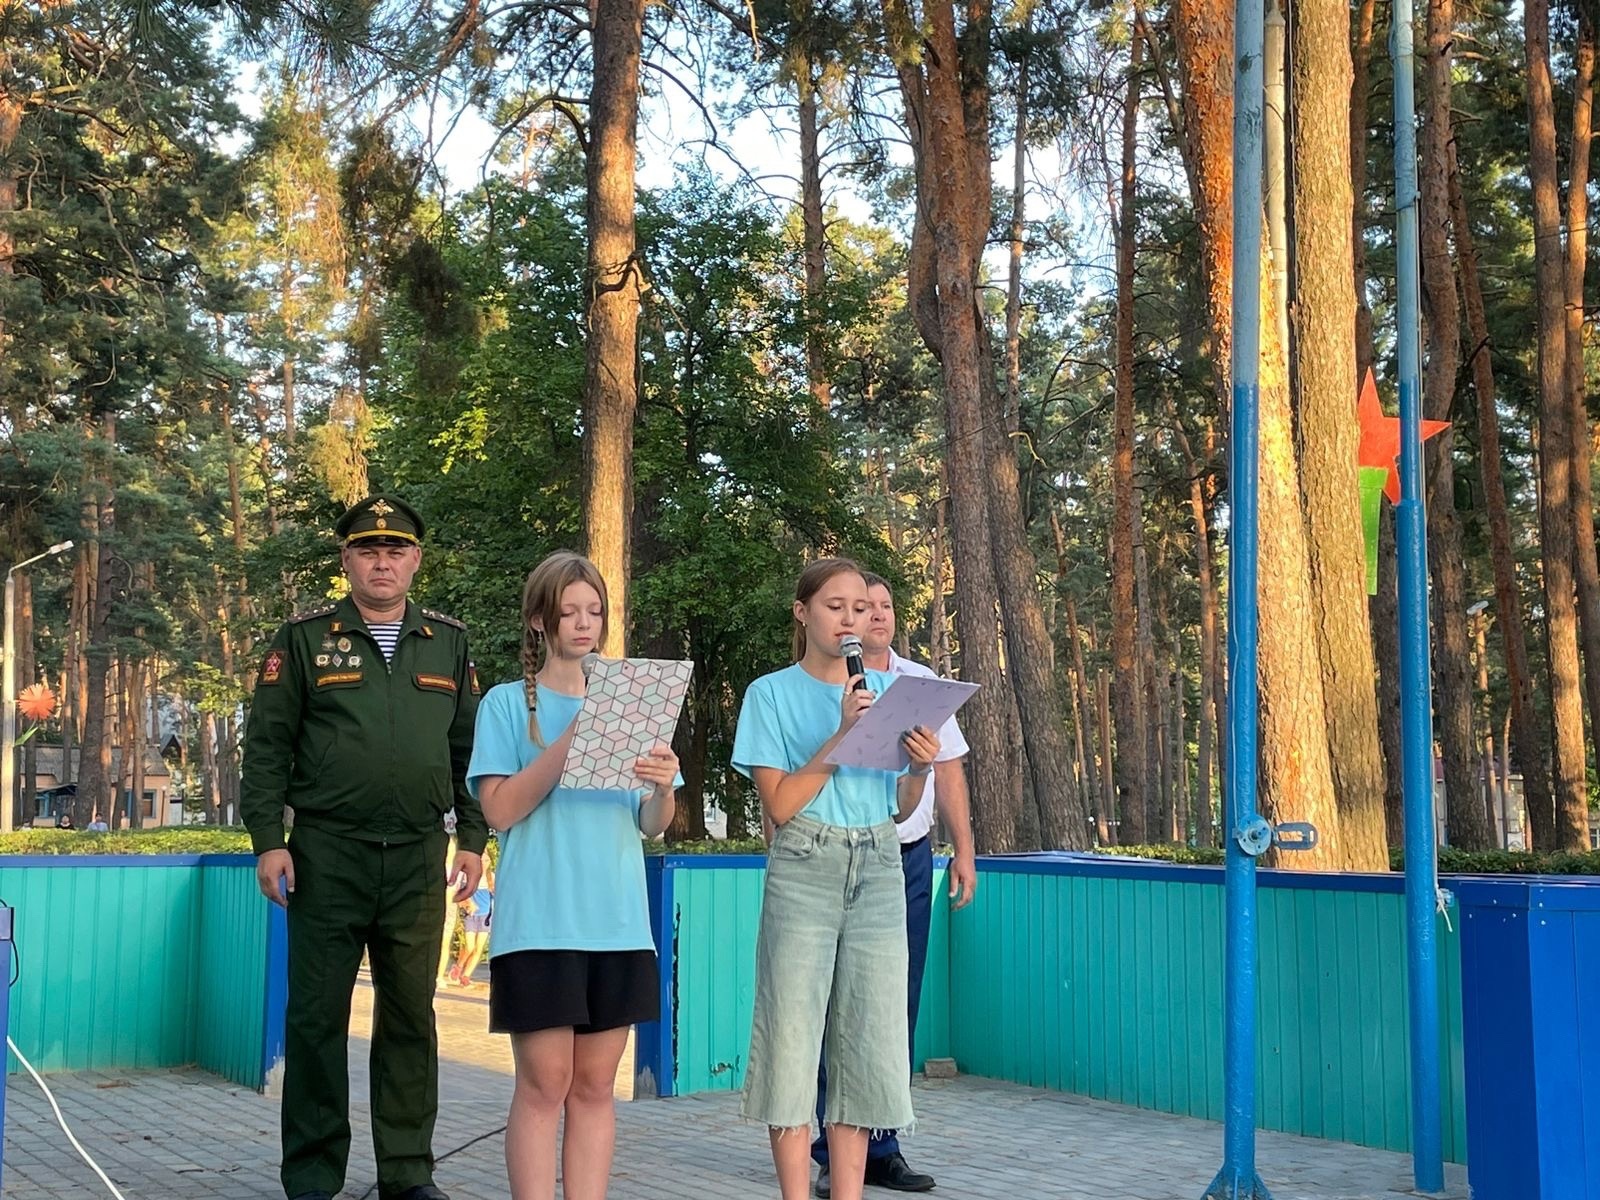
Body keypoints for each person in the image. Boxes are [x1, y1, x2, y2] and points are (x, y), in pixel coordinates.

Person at [241, 494, 488, 1200]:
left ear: (416, 560)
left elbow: (469, 749)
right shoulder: (304, 638)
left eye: (396, 550)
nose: (383, 562)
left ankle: (407, 1175)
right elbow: (267, 747)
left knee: (410, 1018)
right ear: (346, 559)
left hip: (417, 856)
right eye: (369, 550)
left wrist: (473, 838)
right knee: (316, 1019)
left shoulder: (447, 643)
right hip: (326, 854)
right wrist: (269, 841)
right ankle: (313, 1177)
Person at [468, 550, 678, 1200]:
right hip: (540, 924)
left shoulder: (630, 704)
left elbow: (651, 823)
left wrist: (664, 787)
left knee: (593, 1088)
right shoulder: (506, 705)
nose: (586, 624)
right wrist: (575, 738)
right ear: (540, 620)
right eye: (570, 612)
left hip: (618, 924)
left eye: (595, 611)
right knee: (544, 1085)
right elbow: (499, 809)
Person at [732, 558, 941, 1200]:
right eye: (835, 606)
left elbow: (898, 807)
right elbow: (780, 805)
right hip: (806, 864)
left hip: (877, 861)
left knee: (868, 1044)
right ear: (803, 613)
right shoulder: (770, 694)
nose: (851, 619)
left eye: (860, 607)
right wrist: (843, 732)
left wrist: (920, 769)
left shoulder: (888, 690)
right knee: (793, 1040)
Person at [811, 572, 976, 1197]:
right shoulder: (829, 683)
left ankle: (883, 1145)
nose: (875, 614)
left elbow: (946, 769)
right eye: (864, 606)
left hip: (909, 857)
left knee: (895, 1004)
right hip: (840, 852)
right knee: (835, 1005)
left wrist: (964, 851)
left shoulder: (921, 685)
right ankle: (832, 1151)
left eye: (884, 605)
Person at [450, 863, 494, 989]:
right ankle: (459, 966)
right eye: (482, 860)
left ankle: (466, 976)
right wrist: (468, 903)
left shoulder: (491, 877)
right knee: (469, 946)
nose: (484, 862)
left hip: (485, 916)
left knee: (478, 948)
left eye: (487, 860)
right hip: (471, 914)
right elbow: (460, 894)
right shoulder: (469, 875)